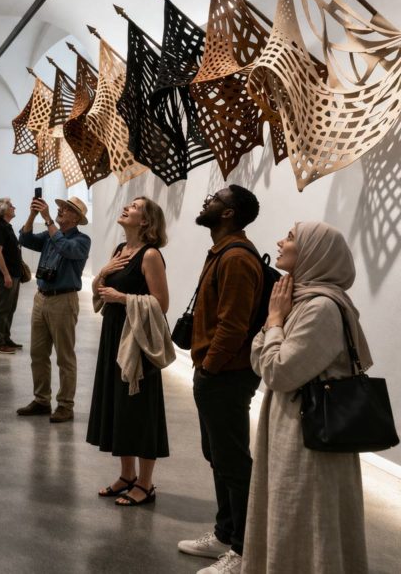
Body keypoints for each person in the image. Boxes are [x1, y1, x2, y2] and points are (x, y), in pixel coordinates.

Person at [242, 223, 370, 574]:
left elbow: (277, 372)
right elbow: (260, 360)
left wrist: (274, 320)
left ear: (315, 252)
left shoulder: (321, 309)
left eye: (290, 237)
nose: (280, 241)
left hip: (309, 438)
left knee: (305, 518)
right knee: (289, 514)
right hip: (292, 426)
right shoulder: (297, 302)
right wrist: (275, 323)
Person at [177, 185, 264, 574]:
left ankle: (244, 551)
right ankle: (225, 534)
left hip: (226, 375)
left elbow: (234, 324)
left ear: (228, 213)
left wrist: (210, 367)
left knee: (232, 462)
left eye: (214, 198)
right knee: (219, 457)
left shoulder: (237, 259)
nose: (206, 201)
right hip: (216, 372)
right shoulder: (222, 252)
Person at [87, 197, 172, 507]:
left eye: (135, 207)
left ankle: (145, 483)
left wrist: (122, 298)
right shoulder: (120, 251)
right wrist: (103, 272)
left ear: (146, 221)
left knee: (141, 408)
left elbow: (162, 303)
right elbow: (100, 292)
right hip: (114, 335)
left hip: (137, 340)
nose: (126, 208)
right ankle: (126, 475)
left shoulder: (150, 255)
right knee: (120, 404)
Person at [16, 196, 91, 423]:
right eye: (61, 207)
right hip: (42, 298)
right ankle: (41, 400)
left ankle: (65, 405)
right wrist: (32, 215)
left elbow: (65, 248)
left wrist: (48, 219)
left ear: (76, 218)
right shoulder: (50, 236)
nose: (61, 210)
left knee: (64, 356)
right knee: (38, 353)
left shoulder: (82, 240)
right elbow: (25, 239)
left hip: (63, 300)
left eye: (67, 209)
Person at [0, 198, 24, 354]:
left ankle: (6, 337)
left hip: (14, 274)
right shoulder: (0, 227)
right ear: (3, 210)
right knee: (3, 308)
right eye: (11, 206)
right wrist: (6, 275)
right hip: (7, 275)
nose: (14, 207)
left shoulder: (7, 227)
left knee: (10, 308)